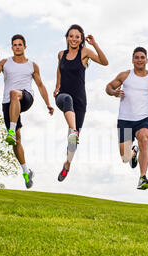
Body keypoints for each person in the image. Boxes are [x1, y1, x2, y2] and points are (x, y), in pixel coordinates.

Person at [0, 34, 54, 189]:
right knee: (17, 142)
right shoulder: (5, 63)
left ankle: (10, 131)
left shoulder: (32, 65)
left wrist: (48, 104)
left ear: (25, 47)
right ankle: (26, 172)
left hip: (26, 96)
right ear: (12, 47)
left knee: (14, 93)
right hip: (9, 104)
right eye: (14, 45)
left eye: (20, 44)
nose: (17, 47)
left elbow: (41, 85)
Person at [106, 47, 148, 190]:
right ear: (133, 60)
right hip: (125, 120)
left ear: (146, 59)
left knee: (144, 139)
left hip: (143, 118)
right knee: (125, 158)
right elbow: (109, 87)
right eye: (137, 57)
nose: (139, 60)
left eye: (142, 57)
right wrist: (114, 93)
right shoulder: (125, 75)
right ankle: (133, 152)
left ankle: (143, 177)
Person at [54, 24, 108, 182]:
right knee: (67, 101)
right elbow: (59, 69)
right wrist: (57, 86)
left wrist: (95, 45)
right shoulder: (61, 54)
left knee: (72, 143)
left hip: (80, 101)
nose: (74, 39)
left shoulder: (84, 53)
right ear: (67, 38)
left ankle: (67, 164)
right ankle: (73, 130)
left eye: (77, 36)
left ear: (81, 39)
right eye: (71, 36)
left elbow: (105, 62)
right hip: (62, 97)